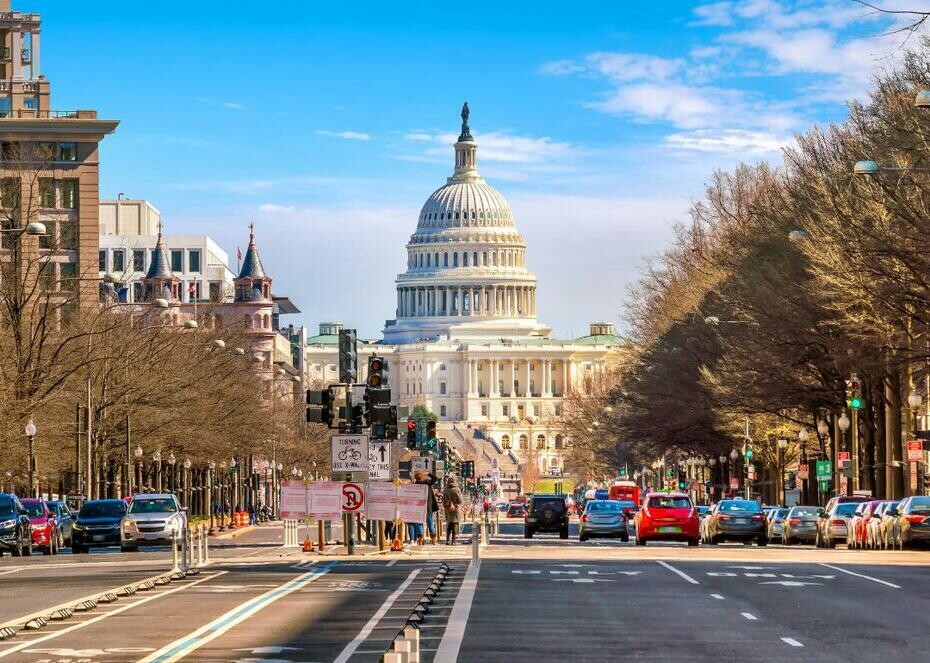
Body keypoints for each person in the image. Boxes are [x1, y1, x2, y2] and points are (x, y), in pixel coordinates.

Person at [414, 470, 440, 544]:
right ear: (422, 477)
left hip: (418, 508)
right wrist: (428, 473)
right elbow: (435, 478)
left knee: (419, 523)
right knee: (430, 522)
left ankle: (420, 538)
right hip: (428, 507)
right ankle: (433, 538)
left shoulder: (414, 486)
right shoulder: (427, 484)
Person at [443, 476, 463, 545]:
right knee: (455, 524)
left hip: (447, 508)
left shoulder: (445, 489)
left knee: (449, 524)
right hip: (455, 508)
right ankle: (453, 541)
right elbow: (460, 500)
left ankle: (447, 540)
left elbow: (444, 499)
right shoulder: (456, 489)